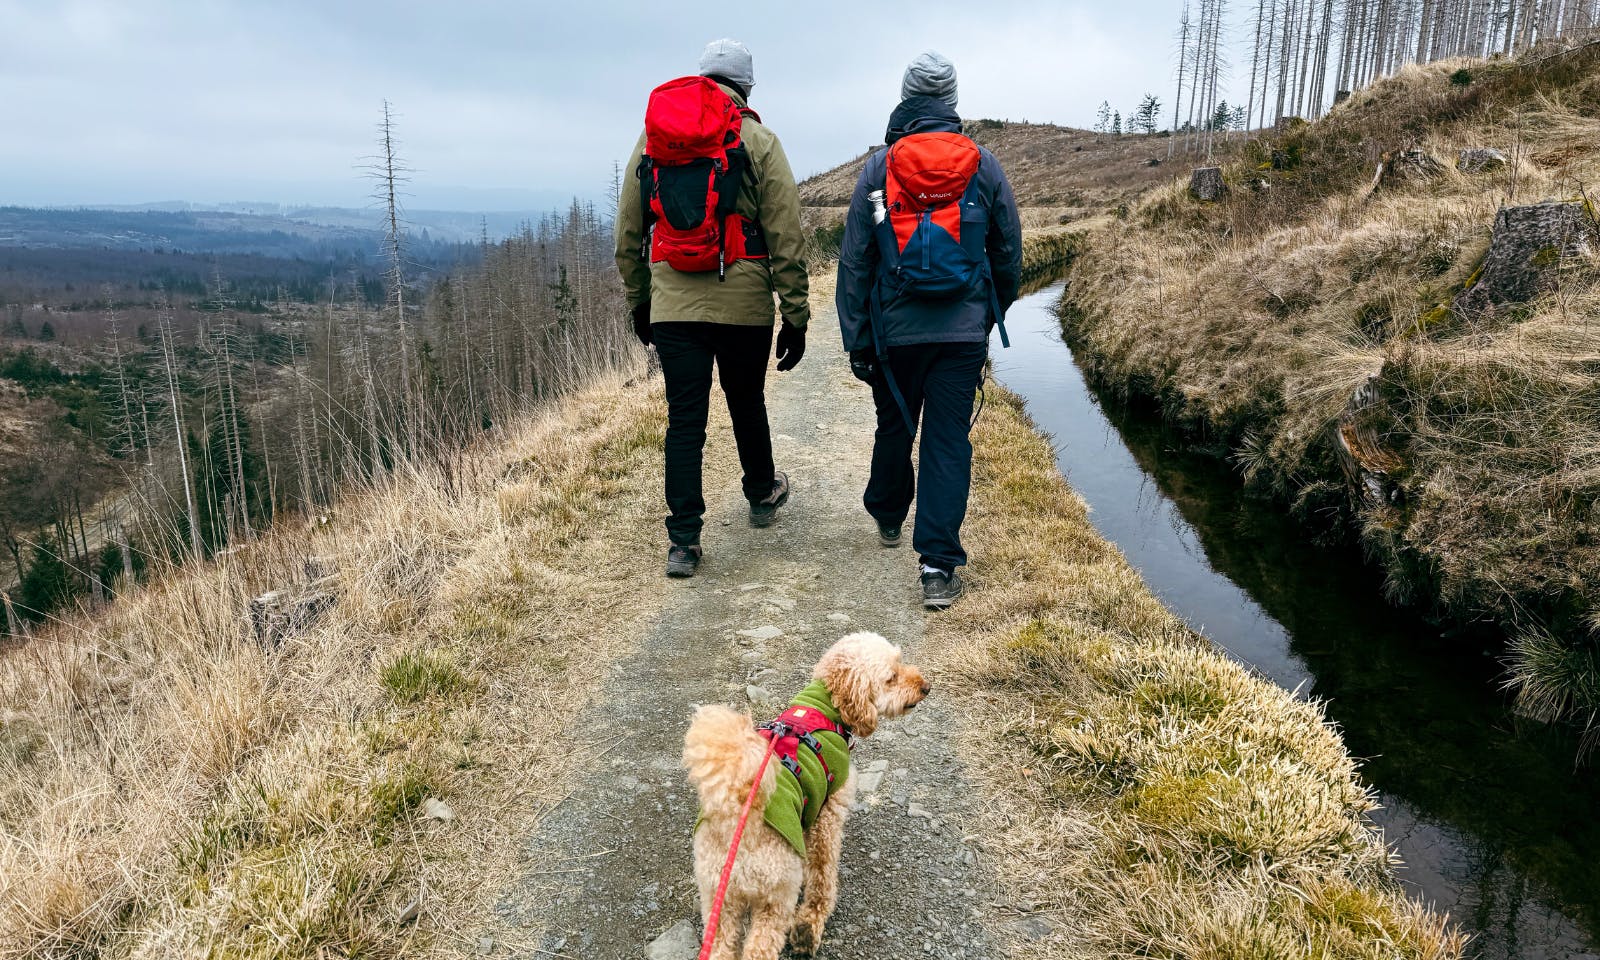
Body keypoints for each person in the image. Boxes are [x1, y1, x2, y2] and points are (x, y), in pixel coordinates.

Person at [615, 39, 811, 578]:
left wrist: (641, 300)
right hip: (744, 304)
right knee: (746, 401)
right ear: (746, 86)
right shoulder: (760, 140)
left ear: (702, 77)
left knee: (685, 421)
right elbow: (786, 236)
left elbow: (628, 232)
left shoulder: (653, 139)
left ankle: (683, 541)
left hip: (672, 305)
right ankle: (761, 494)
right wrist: (795, 314)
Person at [835, 51, 1022, 609]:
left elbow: (855, 260)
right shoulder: (984, 165)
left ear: (907, 97)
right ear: (952, 100)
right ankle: (938, 567)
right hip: (961, 335)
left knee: (894, 425)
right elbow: (1008, 251)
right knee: (946, 441)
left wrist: (856, 338)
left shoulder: (879, 166)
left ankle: (889, 514)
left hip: (895, 332)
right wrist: (990, 315)